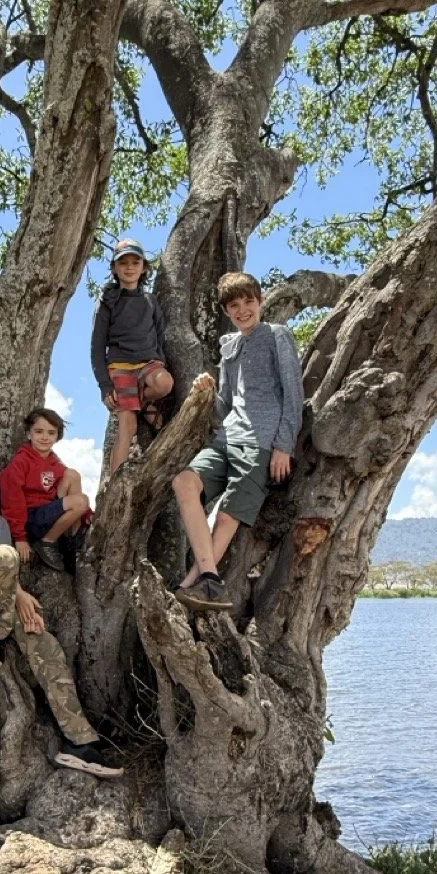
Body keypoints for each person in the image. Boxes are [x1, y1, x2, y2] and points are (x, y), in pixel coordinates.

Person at [0, 451, 122, 777]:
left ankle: (79, 741)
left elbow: (10, 577)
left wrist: (21, 599)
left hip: (4, 599)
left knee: (45, 643)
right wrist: (9, 595)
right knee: (6, 556)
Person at [172, 272, 304, 611]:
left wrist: (284, 445)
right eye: (234, 305)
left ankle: (193, 584)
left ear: (260, 301)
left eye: (248, 301)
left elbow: (293, 394)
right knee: (185, 482)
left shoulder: (277, 336)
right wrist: (207, 391)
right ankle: (211, 579)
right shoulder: (230, 347)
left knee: (229, 514)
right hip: (227, 438)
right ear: (227, 311)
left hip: (260, 442)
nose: (243, 310)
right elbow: (226, 405)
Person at [91, 237, 174, 474]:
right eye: (123, 262)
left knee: (164, 383)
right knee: (127, 426)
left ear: (144, 267)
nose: (129, 267)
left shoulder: (150, 301)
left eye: (135, 262)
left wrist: (160, 361)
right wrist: (105, 386)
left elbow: (159, 335)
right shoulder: (108, 301)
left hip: (148, 363)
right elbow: (96, 346)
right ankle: (114, 486)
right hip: (120, 366)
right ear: (115, 268)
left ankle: (143, 401)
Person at [0, 407, 92, 572]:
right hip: (31, 518)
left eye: (51, 433)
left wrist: (87, 515)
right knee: (80, 501)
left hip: (47, 511)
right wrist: (20, 537)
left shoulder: (53, 461)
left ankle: (73, 543)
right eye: (39, 431)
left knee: (72, 475)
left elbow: (67, 488)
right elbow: (13, 501)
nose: (44, 437)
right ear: (29, 434)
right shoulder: (20, 462)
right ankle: (47, 543)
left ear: (57, 437)